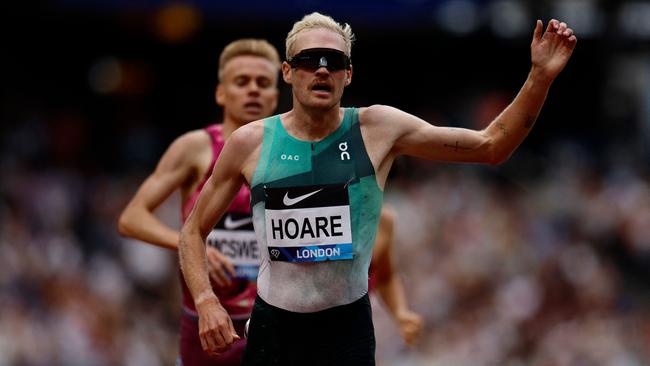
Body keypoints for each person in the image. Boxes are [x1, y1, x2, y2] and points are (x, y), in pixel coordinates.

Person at [178, 12, 576, 365]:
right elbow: (192, 232)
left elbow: (491, 147)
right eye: (308, 60)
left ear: (348, 74)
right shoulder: (251, 143)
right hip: (273, 328)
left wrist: (539, 77)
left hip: (345, 330)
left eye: (334, 62)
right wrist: (205, 299)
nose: (321, 70)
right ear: (287, 71)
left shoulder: (378, 129)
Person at [117, 38, 280, 366]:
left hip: (274, 322)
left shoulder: (292, 155)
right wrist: (193, 246)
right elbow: (131, 218)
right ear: (221, 93)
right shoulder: (196, 148)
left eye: (263, 83)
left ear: (275, 96)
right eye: (242, 82)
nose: (253, 90)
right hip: (207, 324)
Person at [370, 206, 423, 346]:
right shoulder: (307, 215)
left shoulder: (380, 220)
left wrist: (400, 311)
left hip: (352, 338)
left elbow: (385, 277)